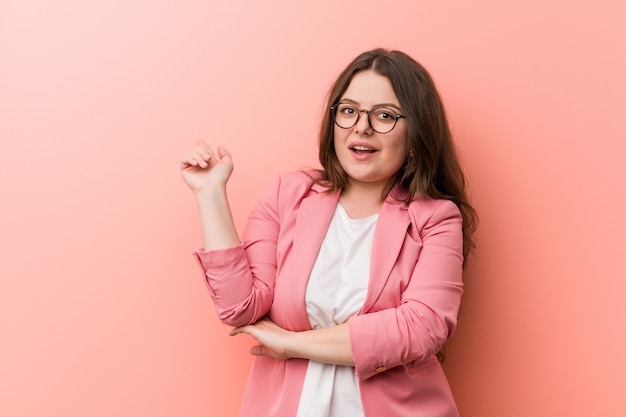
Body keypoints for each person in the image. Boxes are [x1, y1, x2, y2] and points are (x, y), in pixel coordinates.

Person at [180, 48, 478, 417]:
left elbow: (421, 327)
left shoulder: (436, 218)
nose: (362, 126)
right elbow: (241, 307)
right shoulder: (287, 195)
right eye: (349, 110)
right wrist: (210, 195)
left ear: (416, 133)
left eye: (384, 115)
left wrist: (292, 344)